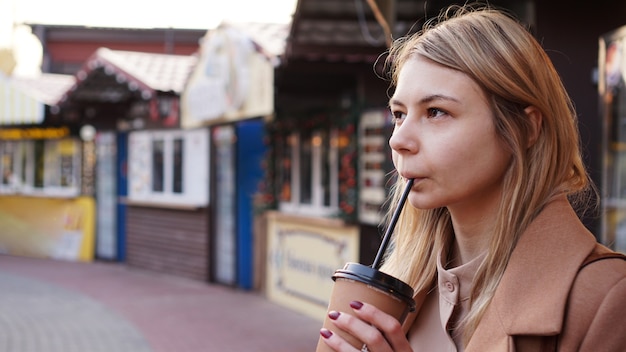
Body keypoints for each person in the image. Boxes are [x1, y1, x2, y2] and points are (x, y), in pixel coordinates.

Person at [318, 4, 626, 352]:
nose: (397, 140)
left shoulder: (608, 299)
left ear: (524, 128)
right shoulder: (401, 281)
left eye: (436, 112)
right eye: (399, 114)